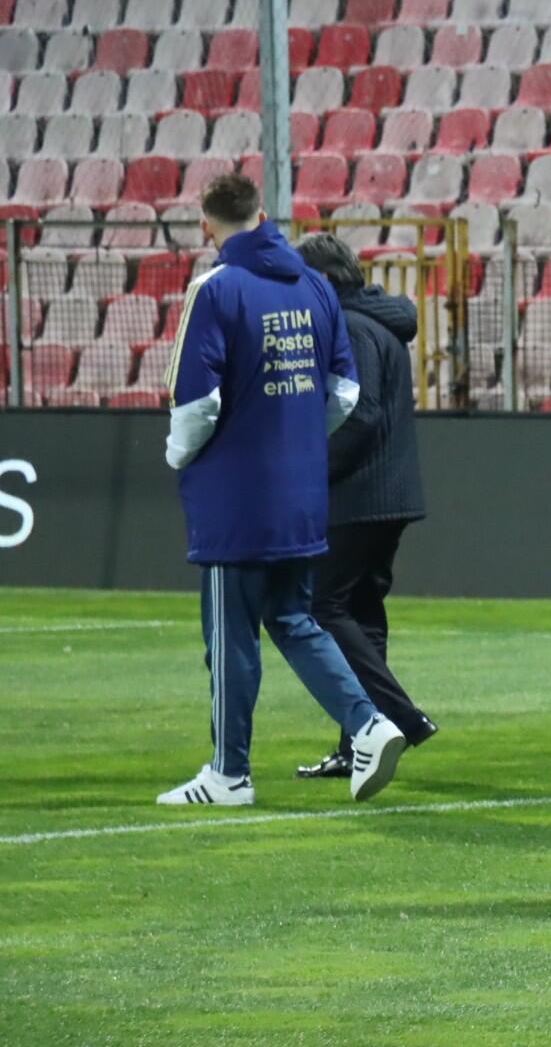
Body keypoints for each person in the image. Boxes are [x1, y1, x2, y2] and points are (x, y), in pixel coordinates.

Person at [157, 174, 408, 807]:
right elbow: (343, 393)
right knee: (295, 620)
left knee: (231, 636)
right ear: (263, 214)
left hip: (235, 498)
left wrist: (179, 455)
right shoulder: (316, 286)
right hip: (302, 494)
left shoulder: (215, 289)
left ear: (205, 224)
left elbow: (197, 404)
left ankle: (229, 774)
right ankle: (369, 725)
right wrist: (296, 442)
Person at [292, 232, 435, 780]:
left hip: (358, 495)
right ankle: (359, 745)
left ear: (325, 281)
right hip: (390, 494)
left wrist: (312, 468)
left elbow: (360, 414)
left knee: (321, 608)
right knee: (362, 616)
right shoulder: (381, 323)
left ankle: (398, 717)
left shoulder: (350, 327)